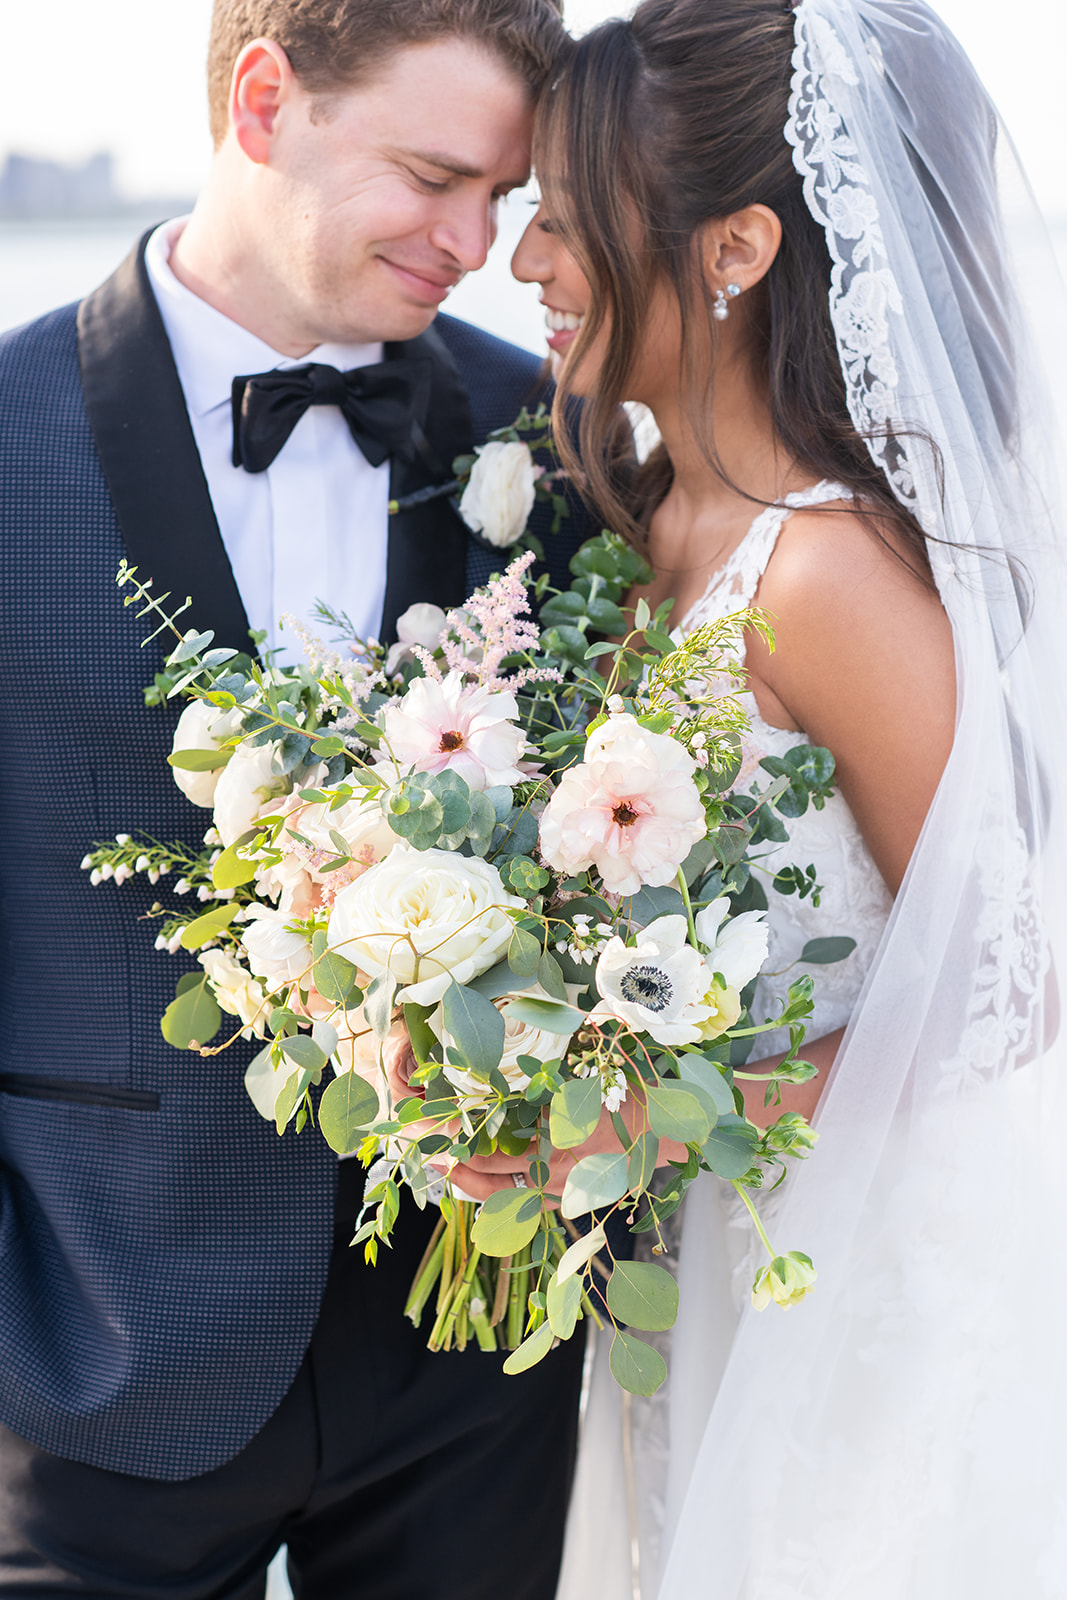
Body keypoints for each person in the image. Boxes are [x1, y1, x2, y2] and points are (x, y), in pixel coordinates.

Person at [0, 1, 593, 1594]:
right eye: (434, 175)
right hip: (90, 1357)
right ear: (266, 101)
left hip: (479, 1367)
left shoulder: (553, 435)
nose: (475, 241)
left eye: (504, 197)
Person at [508, 0, 1067, 1594]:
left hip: (852, 1302)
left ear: (737, 246)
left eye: (561, 212)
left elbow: (1015, 974)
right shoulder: (650, 528)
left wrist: (667, 1121)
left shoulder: (826, 575)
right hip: (685, 1297)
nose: (525, 262)